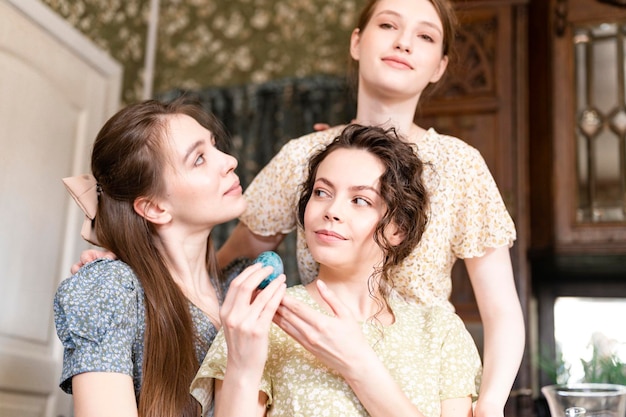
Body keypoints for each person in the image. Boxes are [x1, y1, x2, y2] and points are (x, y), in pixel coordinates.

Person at [215, 1, 524, 416]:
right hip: (314, 362)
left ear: (439, 66)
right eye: (388, 25)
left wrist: (490, 404)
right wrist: (135, 255)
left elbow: (502, 310)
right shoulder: (305, 156)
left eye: (425, 36)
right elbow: (226, 262)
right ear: (357, 42)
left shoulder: (459, 164)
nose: (403, 43)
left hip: (427, 374)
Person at [191, 123, 482, 417]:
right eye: (321, 192)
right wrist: (242, 368)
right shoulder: (260, 320)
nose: (331, 210)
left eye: (360, 200)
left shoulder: (441, 332)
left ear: (399, 229)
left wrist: (358, 365)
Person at [53, 98, 286, 417]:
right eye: (199, 159)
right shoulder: (112, 291)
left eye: (214, 146)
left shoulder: (242, 288)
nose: (230, 160)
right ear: (154, 208)